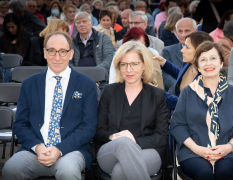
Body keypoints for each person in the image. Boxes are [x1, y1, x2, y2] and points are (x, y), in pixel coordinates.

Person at [2, 31, 98, 180]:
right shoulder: (29, 84)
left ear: (71, 54)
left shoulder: (87, 84)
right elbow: (20, 124)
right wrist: (38, 147)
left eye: (63, 52)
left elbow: (89, 127)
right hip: (35, 151)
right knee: (10, 169)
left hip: (71, 151)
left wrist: (60, 149)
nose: (57, 57)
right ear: (45, 53)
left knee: (68, 171)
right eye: (52, 51)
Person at [171, 41, 233, 180]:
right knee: (204, 174)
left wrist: (229, 147)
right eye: (203, 59)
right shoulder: (187, 93)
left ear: (221, 63)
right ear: (197, 66)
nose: (208, 63)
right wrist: (198, 149)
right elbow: (177, 125)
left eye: (213, 58)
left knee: (224, 173)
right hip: (193, 151)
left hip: (229, 152)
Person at [95, 40, 168, 180]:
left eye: (135, 64)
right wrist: (112, 137)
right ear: (118, 67)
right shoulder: (109, 92)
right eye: (124, 64)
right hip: (110, 151)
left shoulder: (157, 95)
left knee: (120, 172)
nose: (129, 70)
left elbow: (162, 136)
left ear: (144, 66)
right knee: (123, 142)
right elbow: (98, 132)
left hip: (148, 151)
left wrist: (133, 141)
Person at [155, 31, 213, 108]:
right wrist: (164, 63)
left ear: (200, 51)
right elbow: (183, 76)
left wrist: (158, 93)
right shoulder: (189, 63)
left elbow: (186, 104)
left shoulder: (207, 77)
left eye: (187, 47)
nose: (182, 50)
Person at [71, 11, 115, 91]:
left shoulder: (103, 38)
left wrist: (95, 74)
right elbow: (68, 62)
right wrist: (79, 77)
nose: (81, 24)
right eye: (78, 22)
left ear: (91, 23)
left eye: (84, 21)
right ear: (76, 25)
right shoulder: (71, 42)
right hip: (77, 80)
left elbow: (109, 58)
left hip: (100, 80)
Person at [161, 18, 196, 91]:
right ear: (176, 33)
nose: (183, 35)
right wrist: (181, 88)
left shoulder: (203, 50)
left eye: (187, 31)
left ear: (195, 31)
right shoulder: (168, 51)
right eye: (180, 31)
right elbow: (166, 76)